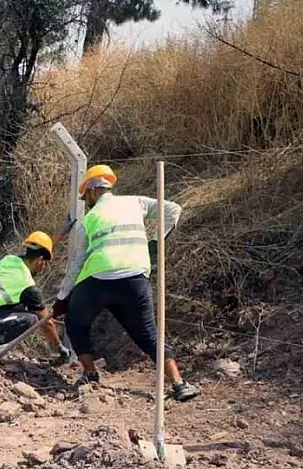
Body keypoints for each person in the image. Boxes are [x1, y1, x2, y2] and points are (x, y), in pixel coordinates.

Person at [52, 164, 200, 401]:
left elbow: (77, 263)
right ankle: (179, 384)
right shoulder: (135, 202)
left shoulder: (87, 220)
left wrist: (62, 299)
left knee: (76, 323)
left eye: (85, 197)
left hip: (97, 281)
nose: (86, 201)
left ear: (91, 192)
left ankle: (90, 374)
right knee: (149, 334)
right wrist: (156, 241)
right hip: (134, 279)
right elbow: (173, 209)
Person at [0, 231, 74, 363]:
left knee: (23, 307)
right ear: (40, 260)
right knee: (31, 319)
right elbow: (46, 321)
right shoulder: (27, 285)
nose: (44, 268)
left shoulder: (10, 260)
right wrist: (59, 348)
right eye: (45, 264)